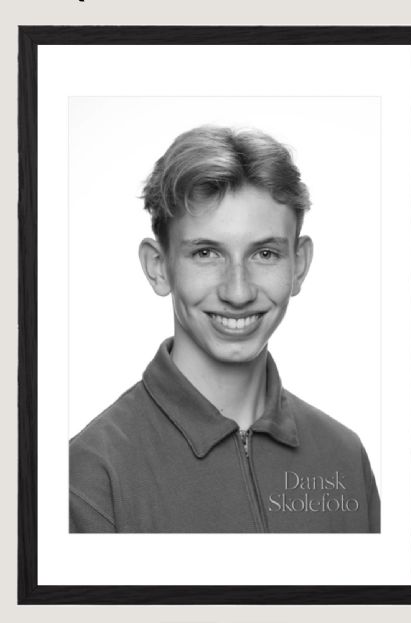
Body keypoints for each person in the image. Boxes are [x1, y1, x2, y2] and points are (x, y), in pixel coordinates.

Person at [69, 125, 380, 533]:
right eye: (206, 253)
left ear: (299, 265)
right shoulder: (90, 477)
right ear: (158, 267)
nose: (238, 292)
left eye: (265, 253)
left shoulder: (344, 458)